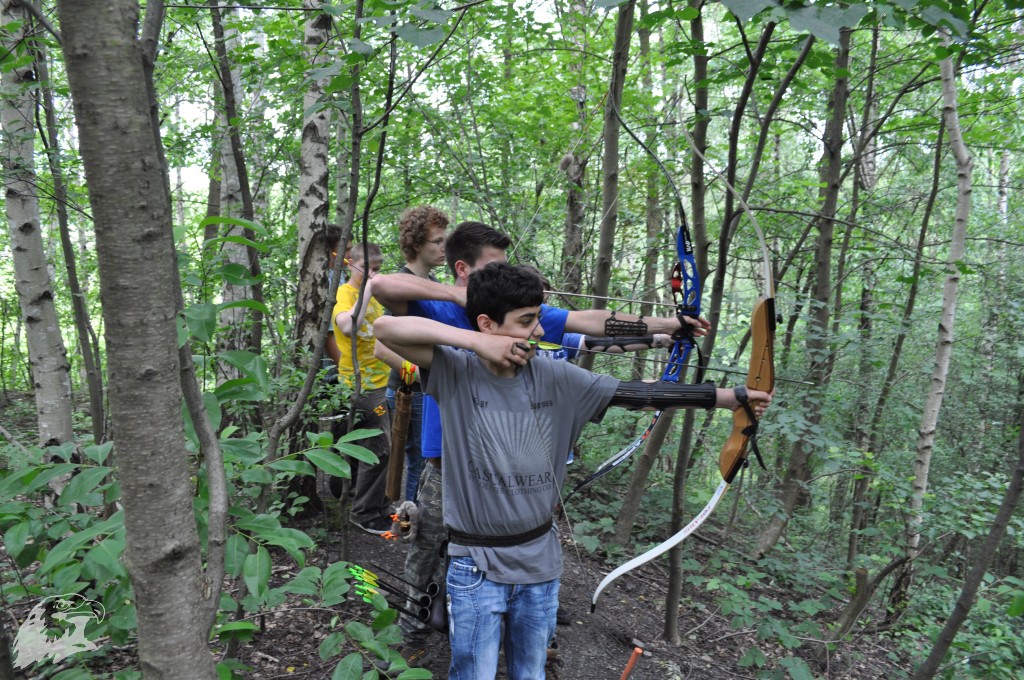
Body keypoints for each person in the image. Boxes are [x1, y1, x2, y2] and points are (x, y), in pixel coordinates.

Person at [373, 262, 772, 680]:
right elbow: (385, 329)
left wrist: (733, 397)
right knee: (473, 672)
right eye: (526, 322)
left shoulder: (556, 375)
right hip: (475, 565)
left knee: (530, 673)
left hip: (539, 565)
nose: (539, 333)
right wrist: (478, 343)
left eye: (539, 320)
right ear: (488, 324)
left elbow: (639, 394)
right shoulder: (454, 370)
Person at [385, 206, 449, 502]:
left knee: (432, 461)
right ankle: (409, 525)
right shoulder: (401, 284)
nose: (443, 246)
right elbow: (382, 344)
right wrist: (420, 373)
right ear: (416, 243)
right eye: (437, 241)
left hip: (433, 387)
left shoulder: (434, 285)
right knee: (420, 463)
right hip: (412, 391)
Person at [332, 242, 393, 535]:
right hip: (361, 386)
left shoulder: (373, 298)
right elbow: (347, 326)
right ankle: (365, 512)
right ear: (350, 264)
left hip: (380, 382)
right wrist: (369, 287)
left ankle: (375, 503)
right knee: (380, 447)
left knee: (369, 445)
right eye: (367, 267)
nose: (373, 274)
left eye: (378, 269)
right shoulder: (346, 294)